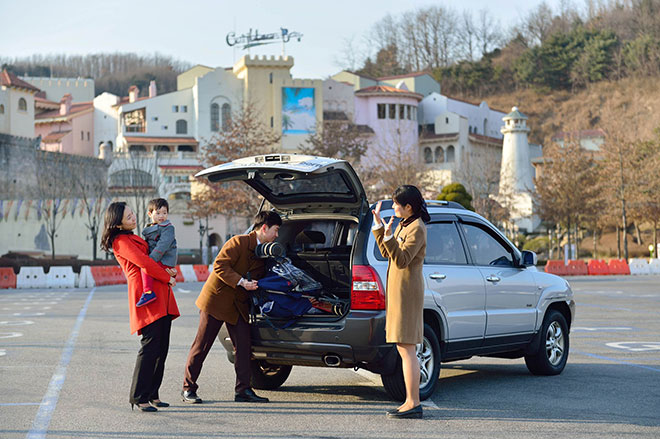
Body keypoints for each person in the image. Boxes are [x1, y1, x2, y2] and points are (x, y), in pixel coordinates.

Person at [181, 211, 282, 404]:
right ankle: (188, 389)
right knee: (202, 346)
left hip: (238, 305)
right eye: (275, 230)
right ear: (264, 228)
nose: (277, 235)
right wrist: (242, 282)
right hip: (216, 301)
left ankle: (243, 390)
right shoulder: (239, 242)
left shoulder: (266, 252)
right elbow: (219, 266)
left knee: (244, 347)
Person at [100, 202, 180, 412]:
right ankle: (138, 396)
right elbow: (144, 262)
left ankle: (153, 393)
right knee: (150, 346)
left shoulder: (136, 236)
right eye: (128, 217)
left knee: (162, 348)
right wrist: (166, 276)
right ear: (117, 224)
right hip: (146, 295)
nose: (133, 218)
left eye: (133, 214)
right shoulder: (120, 241)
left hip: (160, 290)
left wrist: (168, 273)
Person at [371, 185, 429, 419]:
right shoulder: (405, 224)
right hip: (399, 293)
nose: (393, 207)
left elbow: (402, 259)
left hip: (407, 294)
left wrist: (388, 235)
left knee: (407, 348)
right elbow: (388, 254)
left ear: (409, 207)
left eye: (396, 204)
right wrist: (380, 228)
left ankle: (413, 402)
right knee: (403, 348)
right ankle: (410, 401)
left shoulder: (416, 228)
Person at [137, 198, 178, 307]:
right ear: (150, 214)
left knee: (145, 268)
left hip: (164, 259)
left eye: (164, 213)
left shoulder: (168, 228)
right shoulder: (150, 228)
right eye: (158, 213)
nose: (161, 216)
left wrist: (150, 261)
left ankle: (148, 292)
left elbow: (162, 246)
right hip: (158, 259)